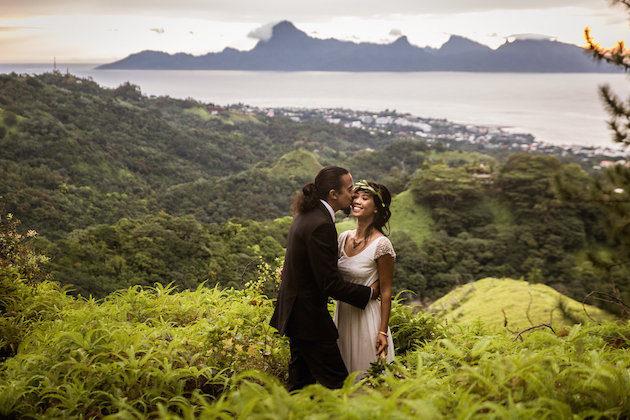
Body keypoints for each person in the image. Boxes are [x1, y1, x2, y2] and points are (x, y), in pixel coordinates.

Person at [270, 167, 380, 391]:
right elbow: (329, 283)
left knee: (301, 385)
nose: (353, 194)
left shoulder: (306, 214)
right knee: (340, 386)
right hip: (309, 319)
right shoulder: (321, 224)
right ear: (334, 194)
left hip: (295, 314)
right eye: (349, 190)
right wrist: (369, 293)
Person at [334, 180, 395, 376]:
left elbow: (386, 291)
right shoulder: (343, 238)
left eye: (365, 198)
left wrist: (382, 332)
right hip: (343, 317)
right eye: (356, 197)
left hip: (367, 319)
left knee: (366, 380)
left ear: (377, 208)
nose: (357, 201)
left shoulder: (382, 245)